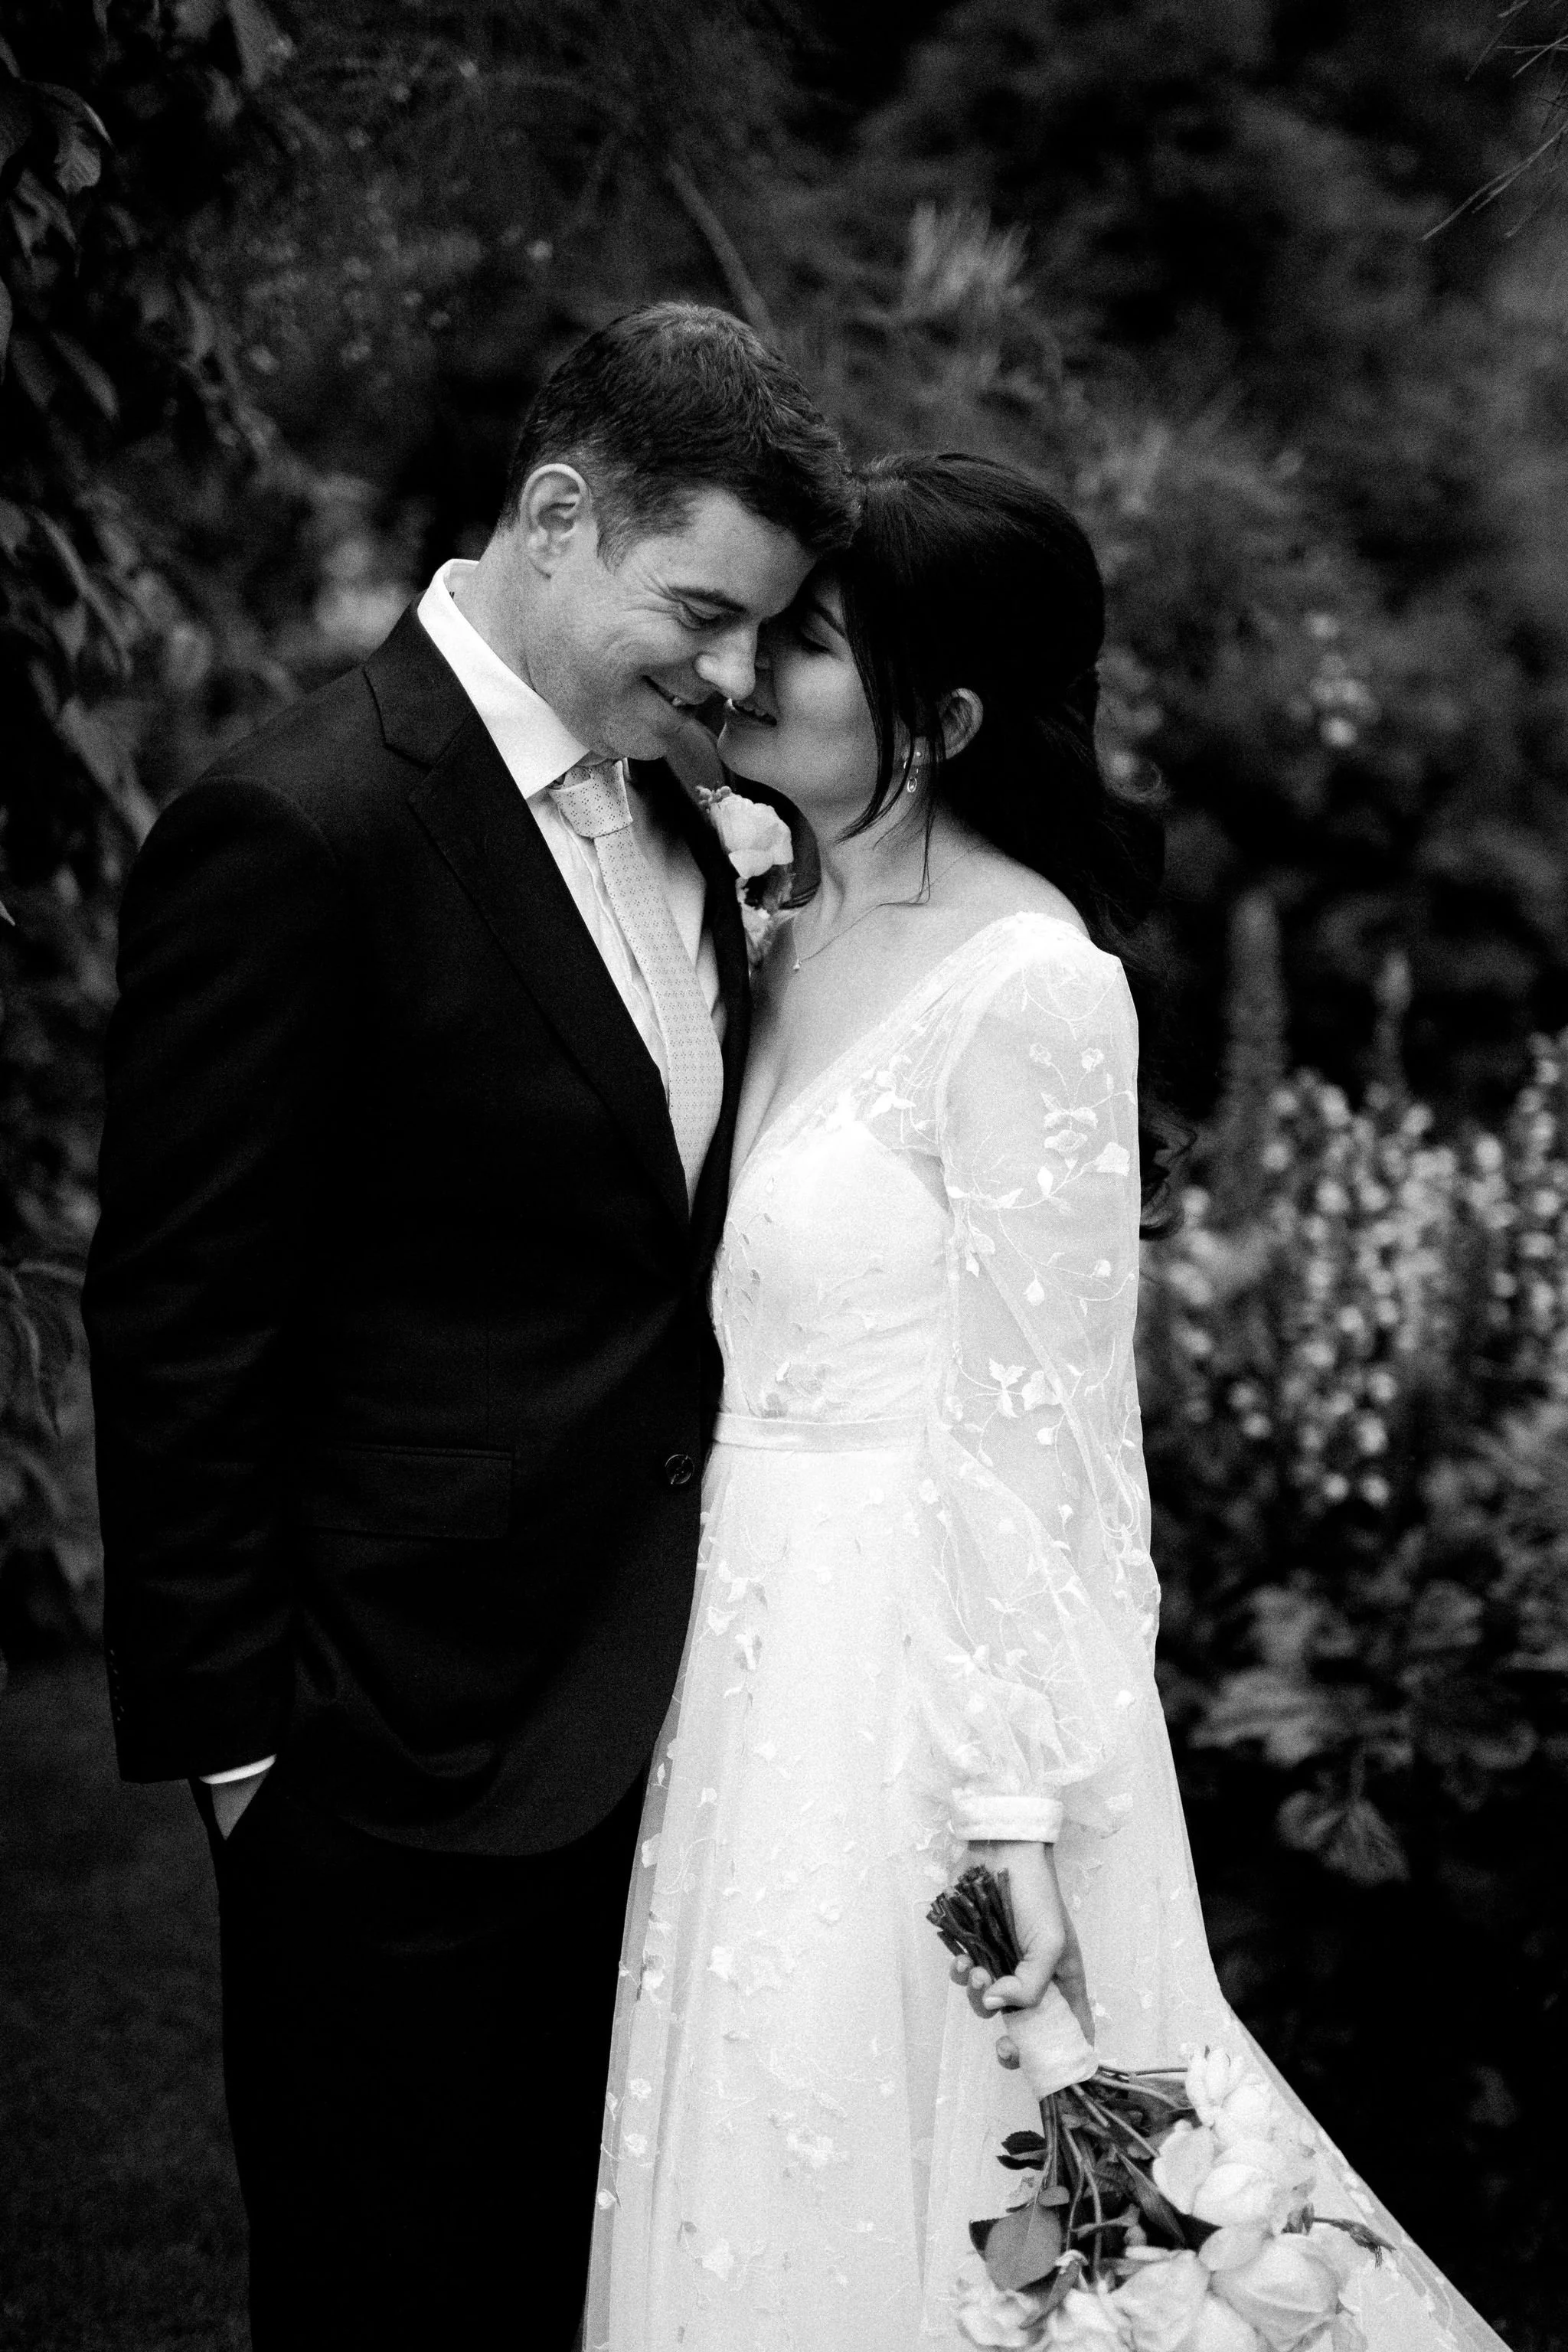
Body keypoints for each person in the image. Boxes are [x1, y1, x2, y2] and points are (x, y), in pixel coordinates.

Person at [585, 452, 1510, 2352]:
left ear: (941, 722)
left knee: (992, 2195)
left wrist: (1007, 1815)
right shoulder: (773, 917)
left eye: (808, 643)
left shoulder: (1033, 987)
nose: (745, 667)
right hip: (741, 1648)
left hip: (914, 1695)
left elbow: (1051, 1445)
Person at [82, 302, 858, 2350]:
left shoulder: (689, 816)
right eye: (701, 614)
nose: (729, 679)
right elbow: (179, 1323)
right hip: (389, 1774)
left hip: (670, 1753)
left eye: (760, 637)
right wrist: (248, 1766)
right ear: (556, 515)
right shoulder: (299, 827)